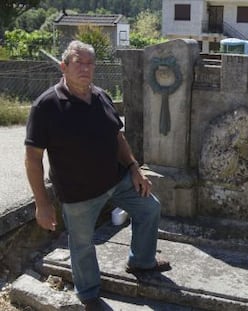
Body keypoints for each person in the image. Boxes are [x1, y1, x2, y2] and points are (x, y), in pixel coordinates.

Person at [24, 40, 170, 310]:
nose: (86, 68)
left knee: (149, 208)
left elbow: (117, 137)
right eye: (78, 62)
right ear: (63, 66)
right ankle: (89, 294)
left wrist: (134, 168)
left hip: (116, 180)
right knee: (81, 245)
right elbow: (33, 159)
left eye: (91, 63)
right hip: (78, 193)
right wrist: (42, 204)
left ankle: (141, 261)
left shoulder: (101, 95)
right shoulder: (46, 106)